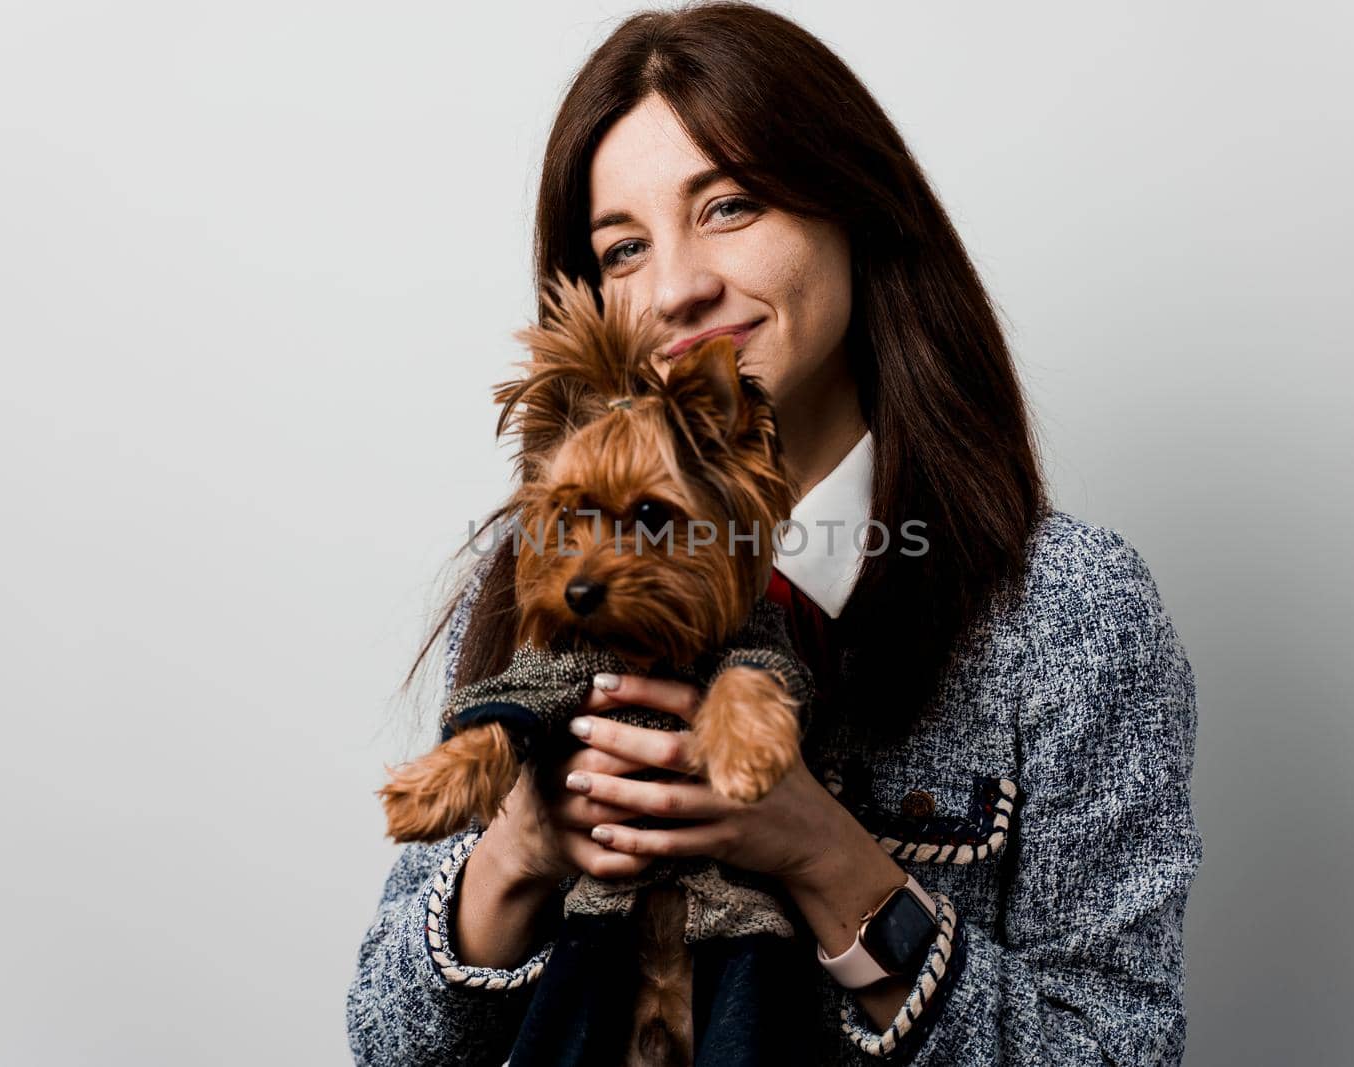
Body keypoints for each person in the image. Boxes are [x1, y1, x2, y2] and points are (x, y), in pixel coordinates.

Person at [346, 4, 1202, 1064]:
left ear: (857, 206)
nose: (677, 287)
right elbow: (390, 1044)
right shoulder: (544, 572)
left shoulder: (1066, 610)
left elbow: (1116, 1049)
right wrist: (521, 848)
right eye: (623, 247)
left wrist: (823, 855)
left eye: (731, 205)